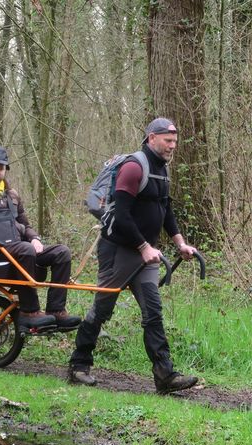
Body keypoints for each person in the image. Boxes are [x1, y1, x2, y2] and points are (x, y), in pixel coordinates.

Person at [68, 118, 199, 394]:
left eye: (175, 141)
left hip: (146, 254)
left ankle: (164, 375)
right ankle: (78, 366)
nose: (172, 146)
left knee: (153, 312)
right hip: (119, 250)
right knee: (102, 310)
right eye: (168, 140)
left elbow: (166, 209)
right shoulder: (133, 167)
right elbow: (123, 215)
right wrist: (144, 247)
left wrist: (180, 243)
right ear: (152, 138)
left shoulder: (162, 170)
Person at [0, 144, 81, 331]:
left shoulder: (11, 194)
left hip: (15, 250)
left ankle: (56, 310)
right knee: (25, 249)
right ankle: (29, 312)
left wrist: (34, 238)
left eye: (0, 168)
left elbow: (24, 224)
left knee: (61, 252)